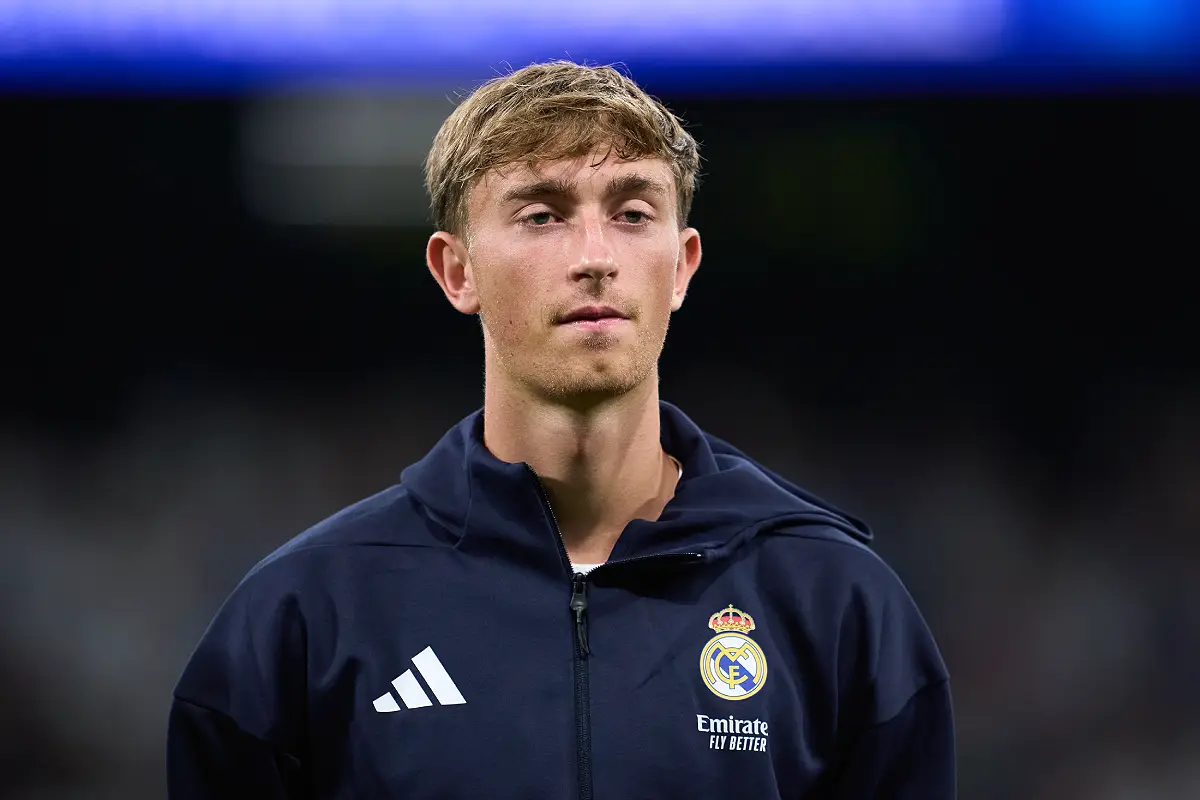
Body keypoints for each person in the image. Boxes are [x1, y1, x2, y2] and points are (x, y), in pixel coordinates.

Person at [168, 60, 955, 798]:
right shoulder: (304, 617)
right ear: (457, 271)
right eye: (542, 215)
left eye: (633, 212)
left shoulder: (837, 603)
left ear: (681, 266)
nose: (594, 257)